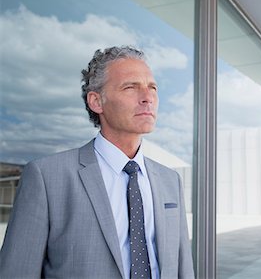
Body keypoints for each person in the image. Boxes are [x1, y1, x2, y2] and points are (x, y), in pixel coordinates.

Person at [0, 46, 195, 279]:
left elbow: (184, 269)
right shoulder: (46, 177)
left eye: (152, 87)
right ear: (96, 101)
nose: (147, 97)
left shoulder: (169, 180)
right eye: (130, 87)